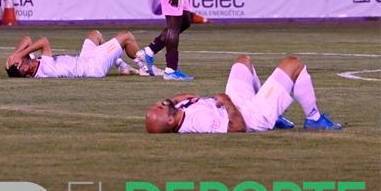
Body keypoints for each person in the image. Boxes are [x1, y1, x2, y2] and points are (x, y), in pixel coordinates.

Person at [145, 55, 343, 133]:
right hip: (251, 116)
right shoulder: (198, 121)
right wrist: (228, 102)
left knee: (242, 61)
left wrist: (176, 100)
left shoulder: (178, 110)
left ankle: (276, 117)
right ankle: (314, 118)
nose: (158, 104)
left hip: (238, 104)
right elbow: (237, 128)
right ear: (170, 122)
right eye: (159, 109)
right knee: (293, 64)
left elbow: (186, 98)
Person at [5, 29, 150, 78]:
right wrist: (19, 56)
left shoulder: (32, 65)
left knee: (95, 34)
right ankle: (145, 67)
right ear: (24, 69)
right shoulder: (45, 69)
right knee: (126, 36)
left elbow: (27, 39)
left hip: (83, 60)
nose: (24, 59)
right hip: (93, 67)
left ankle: (121, 65)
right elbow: (44, 41)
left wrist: (15, 55)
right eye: (21, 62)